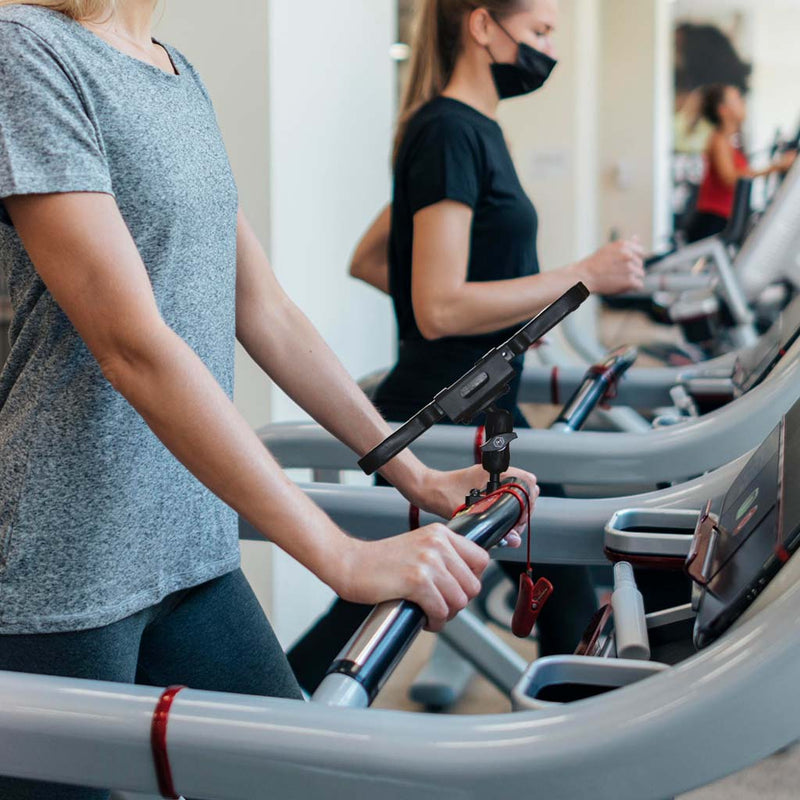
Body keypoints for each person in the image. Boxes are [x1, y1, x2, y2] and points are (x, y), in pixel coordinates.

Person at [0, 2, 537, 797]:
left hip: (190, 546)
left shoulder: (176, 73)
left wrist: (414, 476)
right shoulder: (26, 54)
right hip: (65, 566)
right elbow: (133, 346)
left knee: (294, 777)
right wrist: (340, 555)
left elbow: (265, 311)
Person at [287, 0, 646, 694]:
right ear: (483, 25)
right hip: (444, 422)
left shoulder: (467, 129)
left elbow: (374, 258)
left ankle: (261, 718)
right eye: (539, 32)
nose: (548, 48)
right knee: (564, 589)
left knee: (375, 609)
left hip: (474, 411)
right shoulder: (450, 130)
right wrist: (582, 274)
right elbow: (439, 304)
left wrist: (494, 310)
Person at [686, 83, 796, 243]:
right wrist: (775, 167)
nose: (743, 102)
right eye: (736, 99)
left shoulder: (732, 143)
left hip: (724, 219)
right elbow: (730, 178)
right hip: (712, 222)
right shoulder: (719, 140)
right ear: (723, 110)